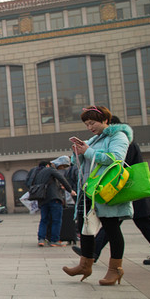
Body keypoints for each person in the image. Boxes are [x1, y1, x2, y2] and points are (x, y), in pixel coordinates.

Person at [75, 116, 150, 265]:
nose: (91, 128)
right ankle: (94, 252)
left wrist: (91, 152)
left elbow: (114, 162)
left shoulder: (121, 140)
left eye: (93, 123)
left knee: (138, 223)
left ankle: (95, 253)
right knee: (112, 224)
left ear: (107, 123)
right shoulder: (119, 139)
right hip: (125, 189)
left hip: (130, 189)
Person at [62, 106, 132, 285]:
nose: (89, 127)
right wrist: (77, 153)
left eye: (92, 123)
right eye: (86, 124)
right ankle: (85, 265)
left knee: (111, 228)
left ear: (105, 120)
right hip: (90, 189)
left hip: (107, 190)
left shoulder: (118, 136)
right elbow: (83, 161)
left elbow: (116, 158)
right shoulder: (94, 139)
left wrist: (88, 152)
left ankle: (115, 269)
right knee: (86, 228)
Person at [30, 156, 76, 247]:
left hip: (43, 199)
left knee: (44, 220)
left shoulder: (40, 172)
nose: (62, 169)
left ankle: (41, 239)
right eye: (63, 166)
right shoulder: (52, 170)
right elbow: (62, 179)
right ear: (60, 163)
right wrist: (70, 190)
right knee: (56, 220)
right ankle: (54, 240)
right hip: (54, 198)